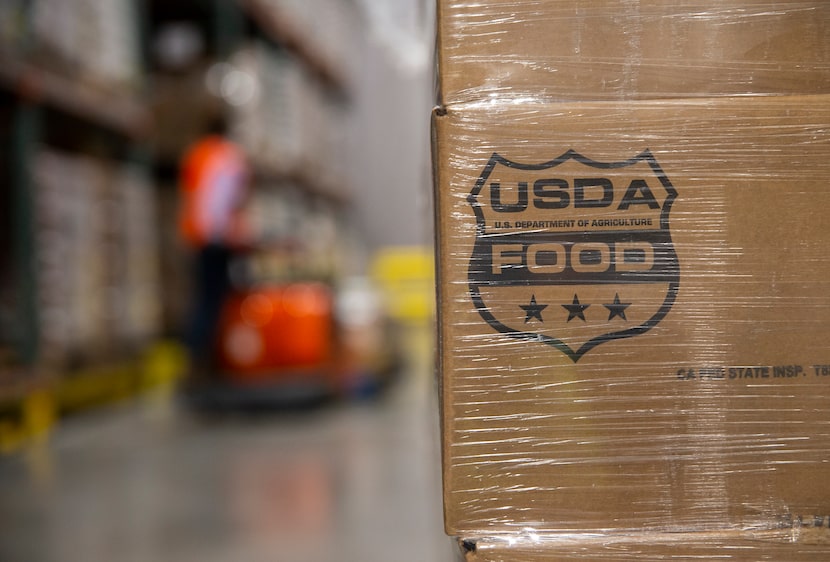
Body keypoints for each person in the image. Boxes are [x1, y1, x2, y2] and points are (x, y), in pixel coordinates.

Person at [179, 116, 250, 382]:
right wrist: (231, 234)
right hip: (217, 239)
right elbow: (222, 201)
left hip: (197, 237)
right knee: (215, 299)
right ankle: (213, 358)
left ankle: (199, 358)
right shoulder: (227, 158)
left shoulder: (196, 155)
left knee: (202, 297)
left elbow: (192, 197)